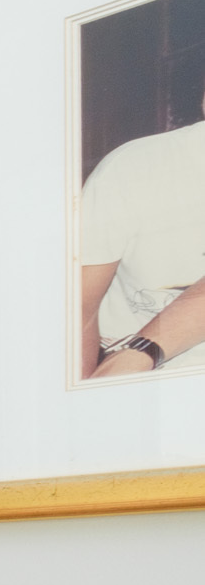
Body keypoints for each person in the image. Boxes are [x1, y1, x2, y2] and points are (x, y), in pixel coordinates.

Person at [80, 84, 205, 379]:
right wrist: (82, 402)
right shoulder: (133, 169)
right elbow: (78, 308)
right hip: (139, 384)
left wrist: (139, 352)